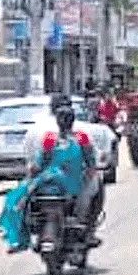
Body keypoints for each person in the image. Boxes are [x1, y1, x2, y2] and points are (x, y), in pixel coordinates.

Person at [30, 94, 103, 247]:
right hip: (70, 188)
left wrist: (33, 174)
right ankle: (89, 231)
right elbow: (91, 162)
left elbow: (38, 162)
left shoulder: (49, 137)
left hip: (49, 184)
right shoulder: (80, 137)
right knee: (95, 186)